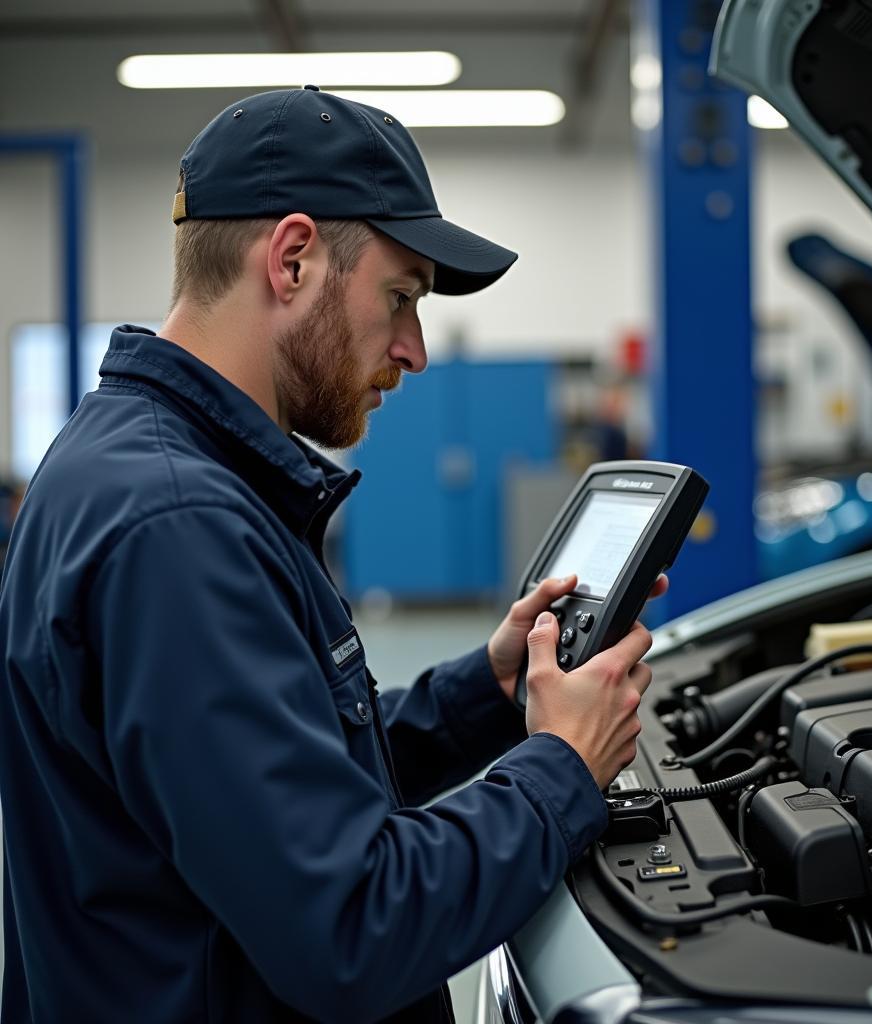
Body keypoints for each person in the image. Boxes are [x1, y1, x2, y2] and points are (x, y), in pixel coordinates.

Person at [0, 88, 660, 1023]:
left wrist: (490, 687)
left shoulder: (141, 465)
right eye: (401, 297)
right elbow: (352, 928)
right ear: (295, 258)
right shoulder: (179, 526)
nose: (416, 349)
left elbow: (271, 779)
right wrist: (561, 765)